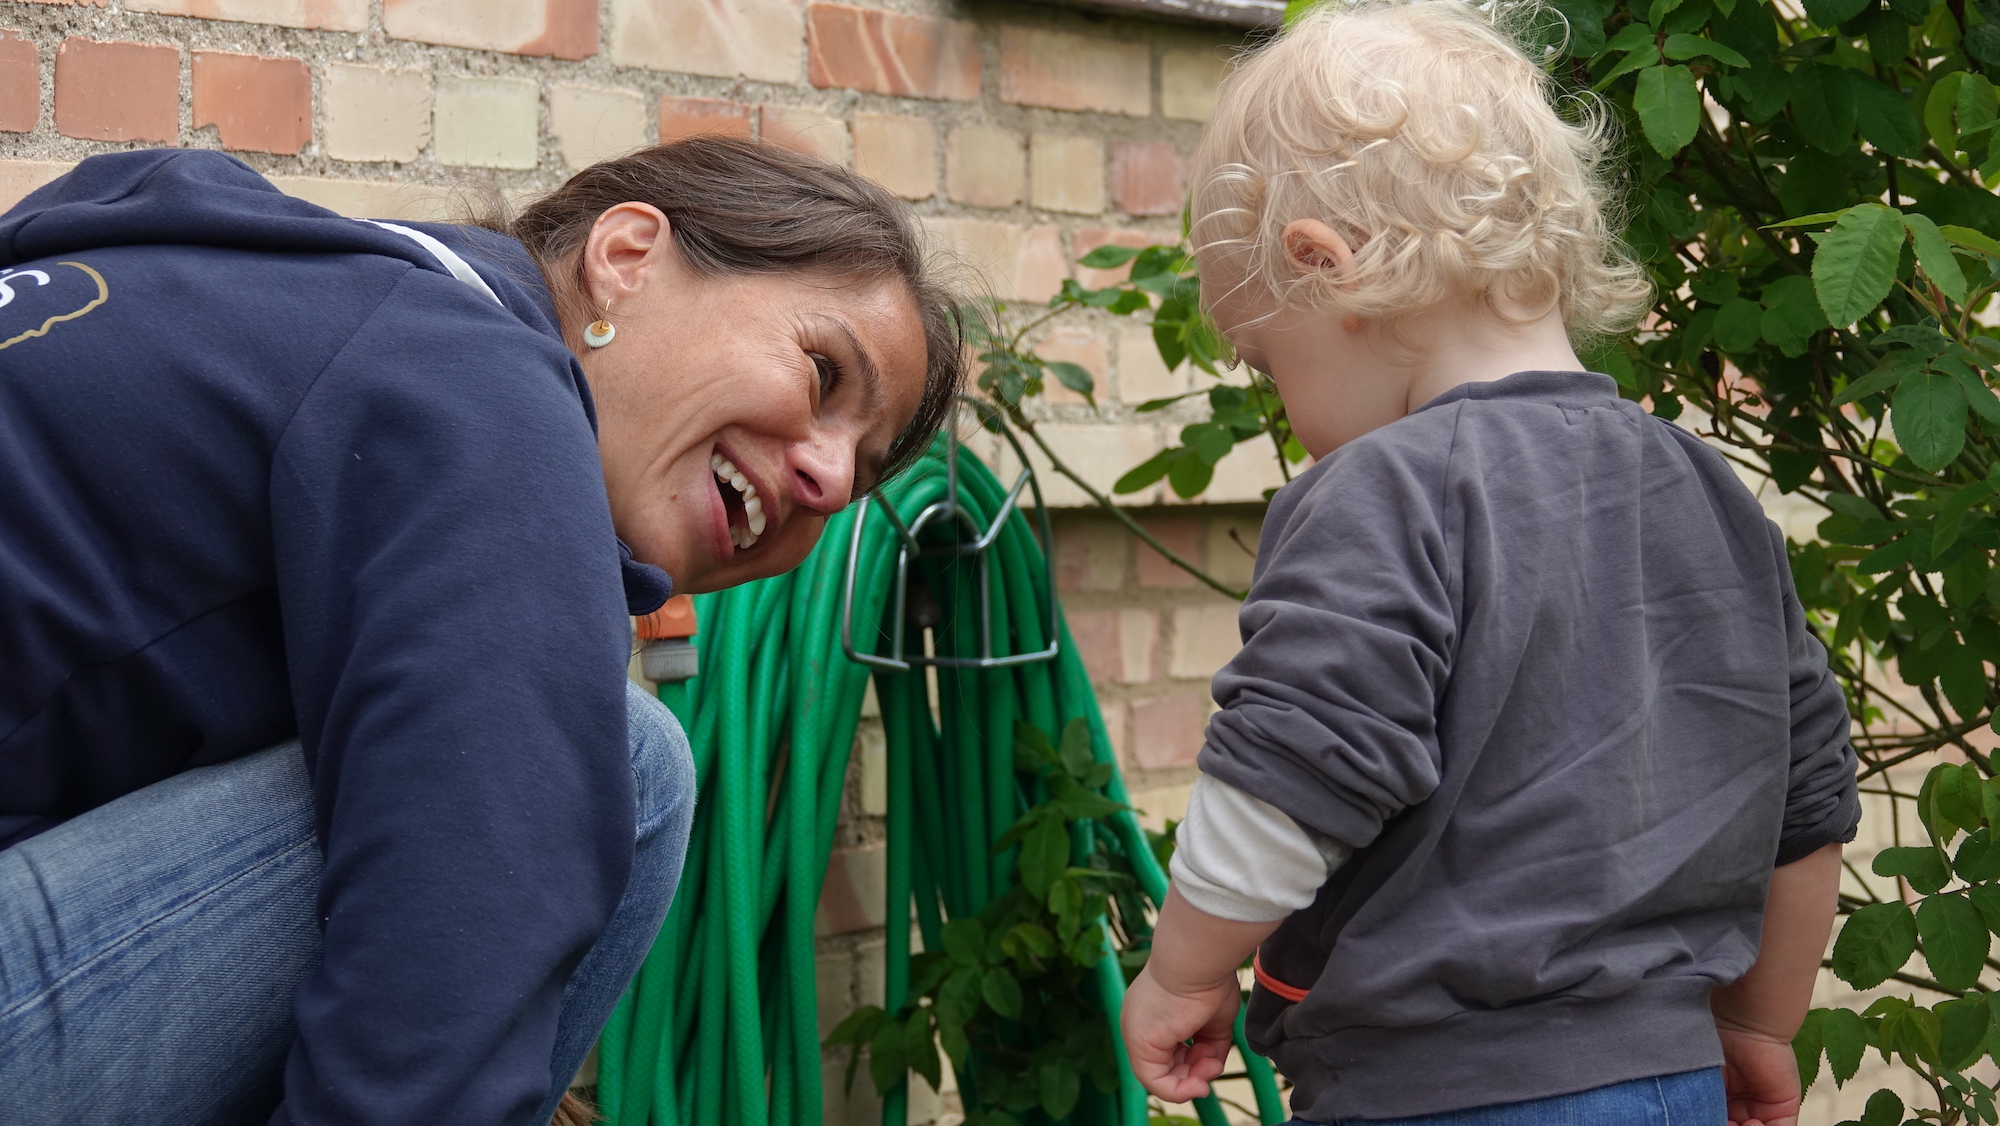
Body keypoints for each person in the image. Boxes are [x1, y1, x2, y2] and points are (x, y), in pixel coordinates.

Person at [0, 137, 961, 1126]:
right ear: (626, 256)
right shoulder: (475, 391)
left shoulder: (228, 262)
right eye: (820, 372)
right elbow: (434, 1038)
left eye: (863, 471)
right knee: (625, 767)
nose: (831, 480)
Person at [1118, 4, 1860, 1125]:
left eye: (1270, 364)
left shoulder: (1386, 490)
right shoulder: (1702, 489)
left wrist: (1181, 968)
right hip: (1672, 1077)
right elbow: (1806, 805)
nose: (1291, 412)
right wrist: (1756, 1024)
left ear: (1326, 270)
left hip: (1439, 1087)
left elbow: (1293, 768)